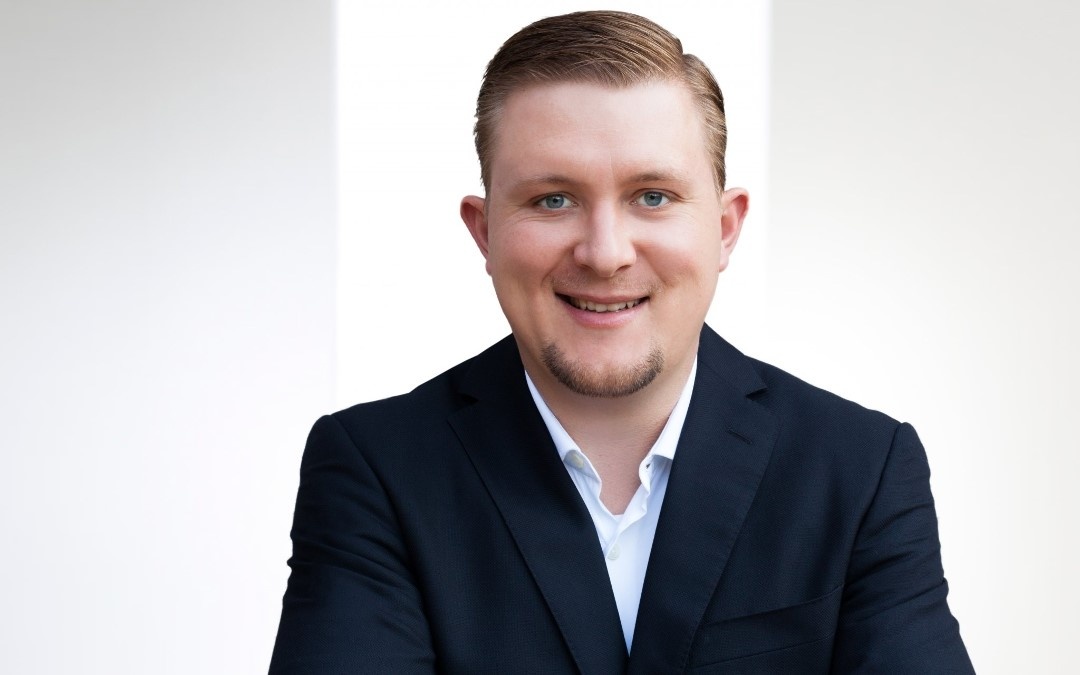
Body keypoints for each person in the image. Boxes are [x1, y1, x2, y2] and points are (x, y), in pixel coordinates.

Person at [270, 10, 973, 673]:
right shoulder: (375, 470)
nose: (605, 253)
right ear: (483, 233)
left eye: (653, 196)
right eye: (553, 199)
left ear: (725, 228)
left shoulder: (858, 470)